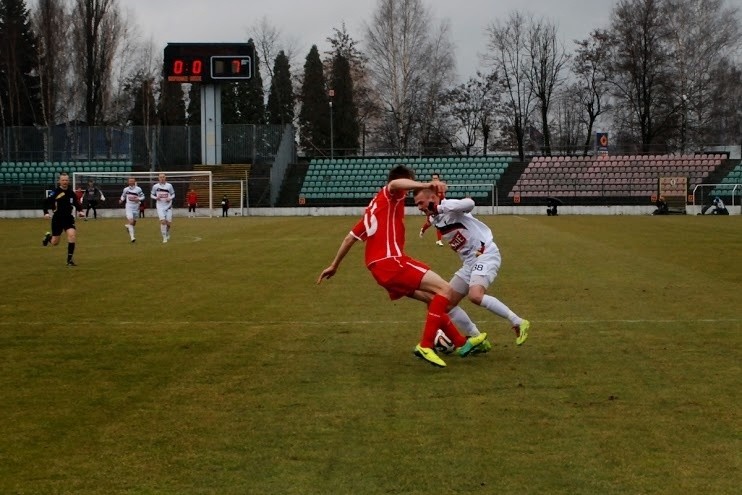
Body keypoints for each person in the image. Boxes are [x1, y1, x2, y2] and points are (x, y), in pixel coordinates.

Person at [317, 165, 488, 368]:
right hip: (391, 261)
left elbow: (349, 238)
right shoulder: (391, 194)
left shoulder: (374, 208)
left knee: (432, 298)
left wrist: (334, 265)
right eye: (407, 186)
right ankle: (425, 345)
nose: (407, 192)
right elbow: (395, 184)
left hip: (377, 269)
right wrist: (424, 184)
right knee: (445, 291)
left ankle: (460, 342)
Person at [413, 186, 530, 346]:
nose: (419, 207)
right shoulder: (434, 218)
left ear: (432, 199)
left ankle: (518, 321)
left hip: (486, 254)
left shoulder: (449, 207)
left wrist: (440, 207)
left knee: (475, 295)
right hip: (469, 263)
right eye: (417, 204)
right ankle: (477, 338)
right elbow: (433, 220)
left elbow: (469, 203)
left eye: (421, 203)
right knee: (446, 303)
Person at [42, 172, 85, 267]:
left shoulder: (71, 193)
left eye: (66, 180)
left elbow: (76, 203)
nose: (65, 182)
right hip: (57, 219)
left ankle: (69, 260)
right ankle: (48, 237)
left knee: (72, 236)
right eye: (63, 180)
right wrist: (45, 212)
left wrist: (80, 211)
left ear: (68, 181)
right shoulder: (55, 192)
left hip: (68, 218)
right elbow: (45, 202)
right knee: (55, 242)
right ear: (59, 181)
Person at [419, 173, 445, 246]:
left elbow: (442, 199)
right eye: (433, 178)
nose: (435, 180)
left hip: (438, 208)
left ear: (438, 179)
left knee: (439, 224)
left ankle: (439, 240)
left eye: (436, 178)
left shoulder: (441, 189)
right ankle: (423, 230)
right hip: (430, 208)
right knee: (429, 223)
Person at [151, 173, 176, 243]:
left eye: (163, 177)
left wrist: (170, 198)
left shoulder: (169, 186)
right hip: (160, 206)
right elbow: (151, 195)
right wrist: (156, 197)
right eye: (160, 177)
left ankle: (167, 232)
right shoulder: (155, 186)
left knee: (168, 224)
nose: (162, 178)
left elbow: (173, 194)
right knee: (163, 222)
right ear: (158, 178)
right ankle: (164, 238)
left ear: (165, 178)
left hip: (168, 206)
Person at [119, 177, 145, 242]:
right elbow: (123, 196)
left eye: (132, 181)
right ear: (128, 182)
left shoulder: (138, 189)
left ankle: (128, 226)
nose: (131, 182)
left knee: (133, 223)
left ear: (134, 182)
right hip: (129, 207)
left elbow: (143, 197)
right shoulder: (126, 189)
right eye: (130, 181)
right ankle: (132, 237)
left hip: (136, 207)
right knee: (131, 221)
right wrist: (121, 200)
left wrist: (138, 199)